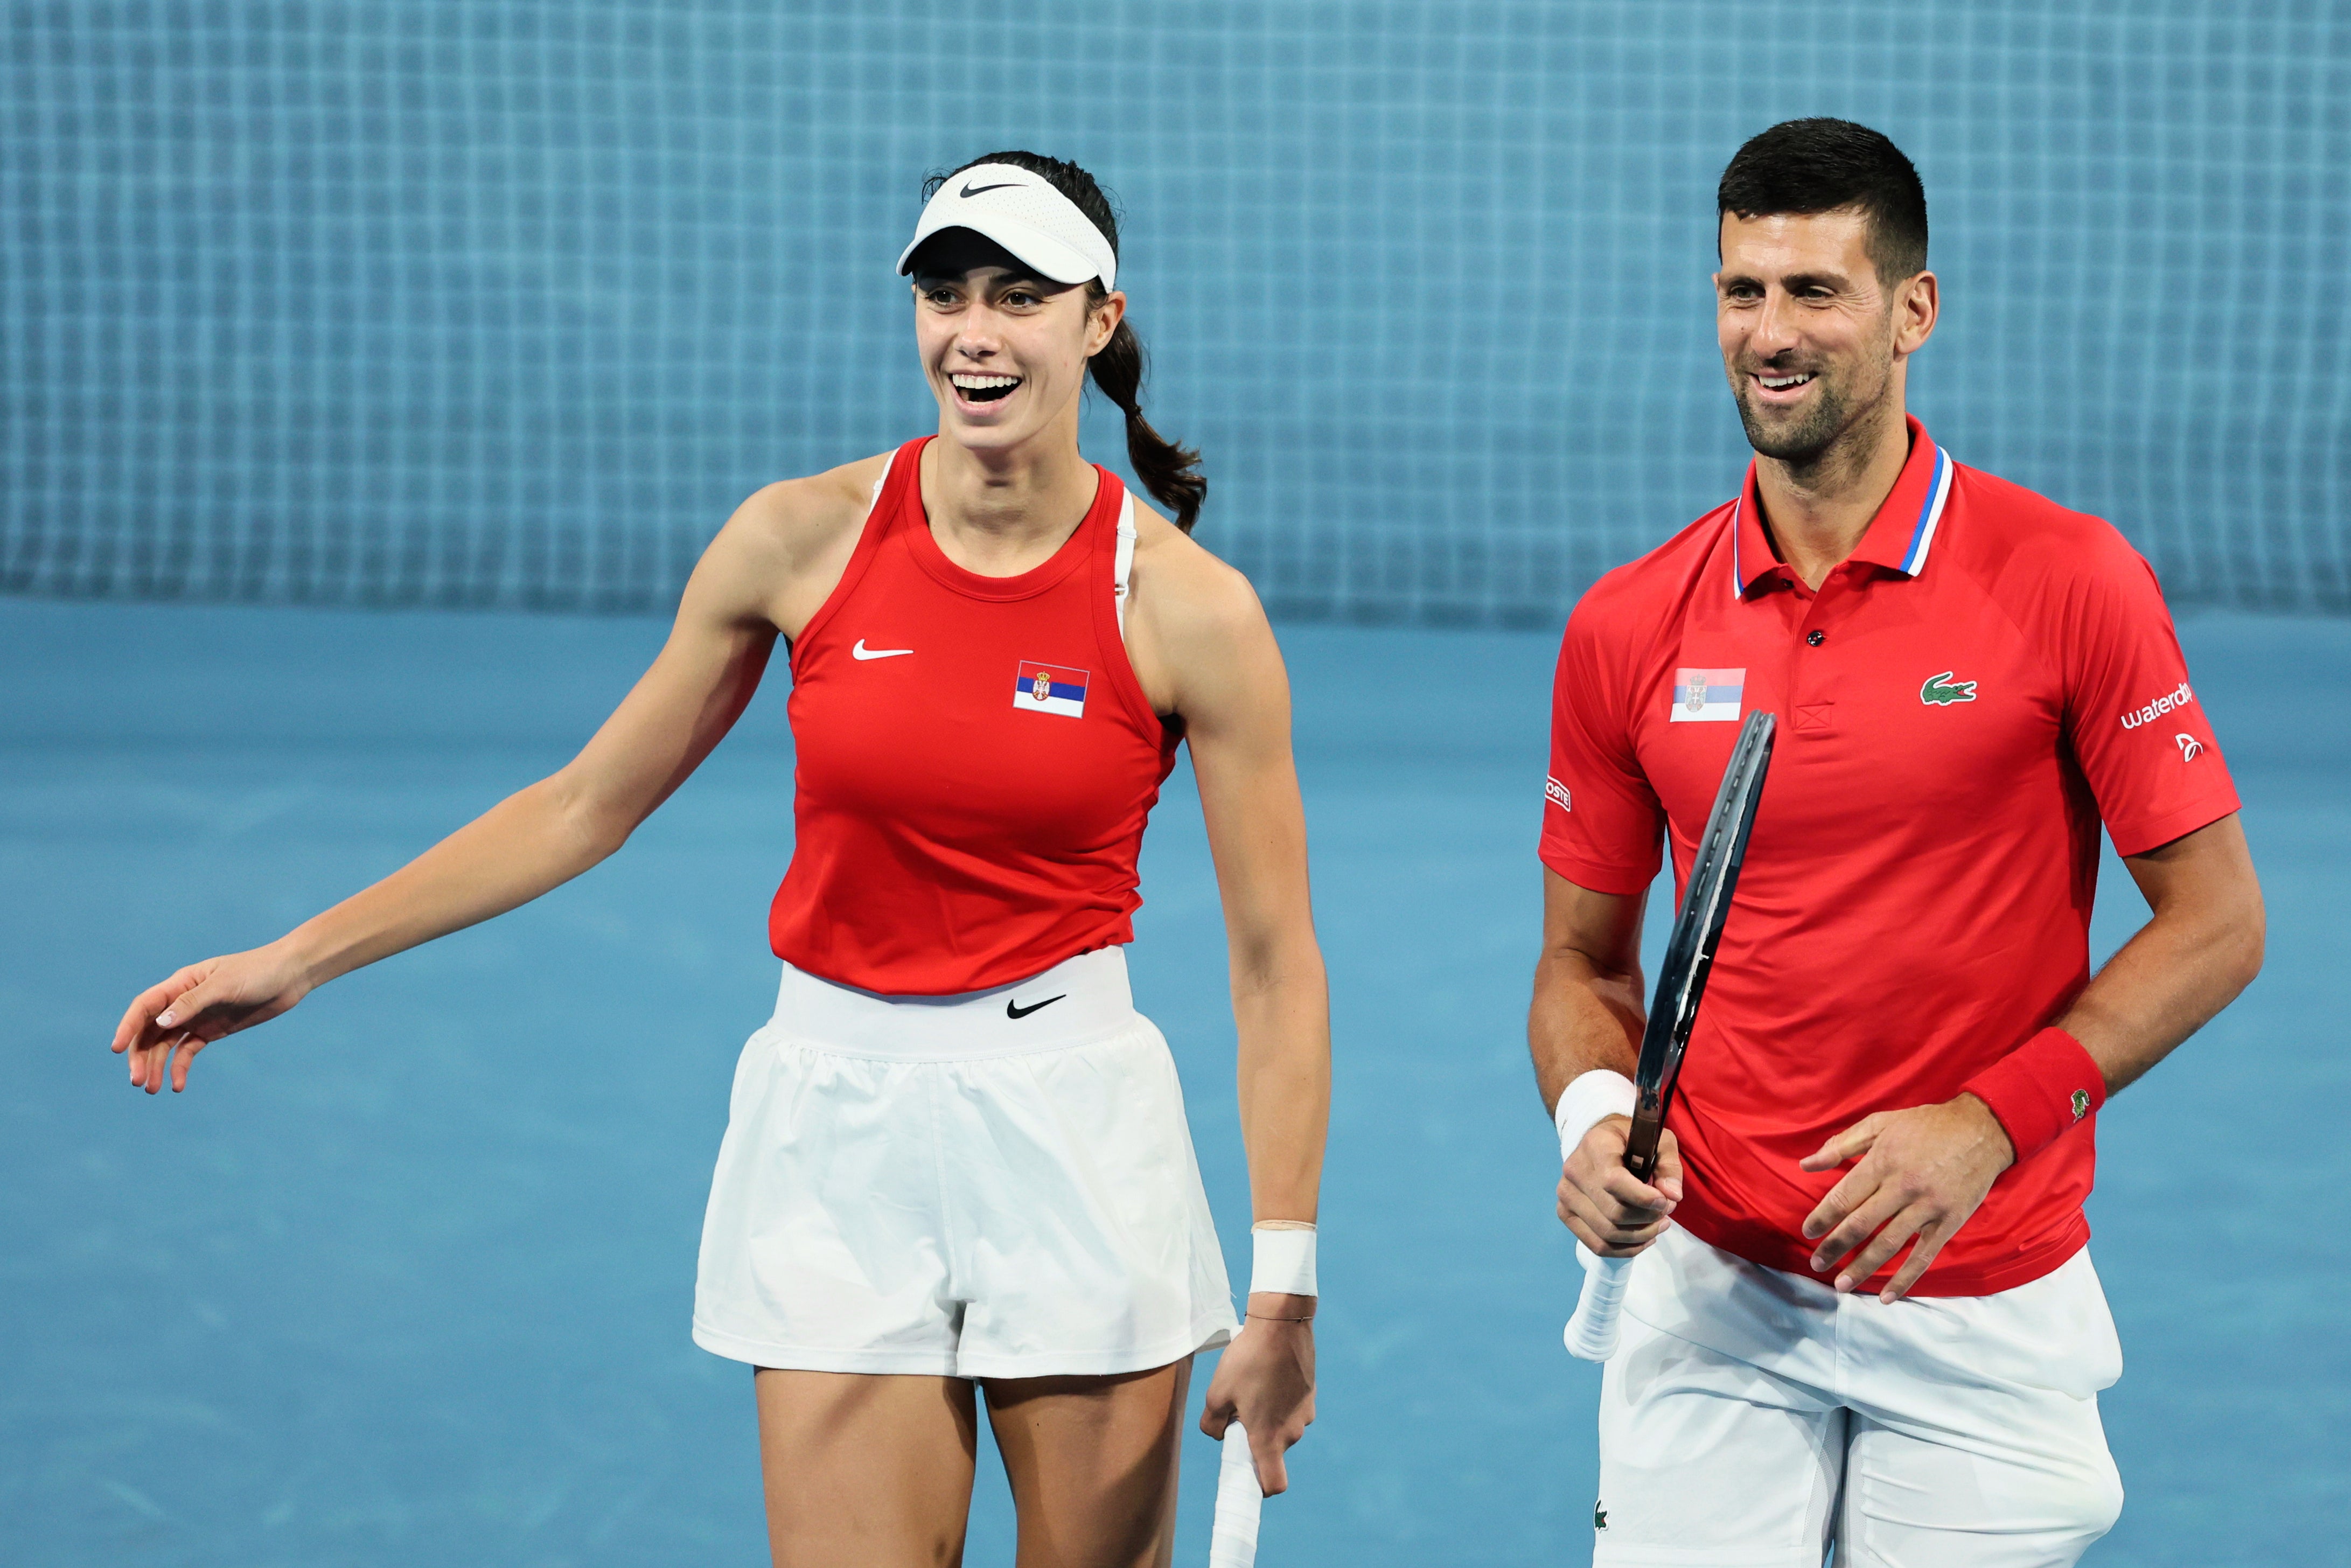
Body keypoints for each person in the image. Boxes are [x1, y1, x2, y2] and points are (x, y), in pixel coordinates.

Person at [112, 150, 1329, 1568]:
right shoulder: (797, 539)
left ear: (1098, 320)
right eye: (946, 294)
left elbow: (1274, 968)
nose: (975, 333)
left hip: (1073, 1131)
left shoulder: (1187, 610)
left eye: (1020, 297)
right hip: (837, 1134)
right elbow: (585, 804)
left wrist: (1284, 1290)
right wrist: (298, 958)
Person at [1531, 119, 2263, 1565]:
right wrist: (1591, 1119)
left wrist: (1990, 1123)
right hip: (1716, 1292)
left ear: (1913, 310)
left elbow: (2219, 921)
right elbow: (1581, 964)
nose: (1771, 334)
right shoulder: (1628, 623)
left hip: (1981, 1291)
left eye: (1817, 291)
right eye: (1743, 291)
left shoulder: (2073, 582)